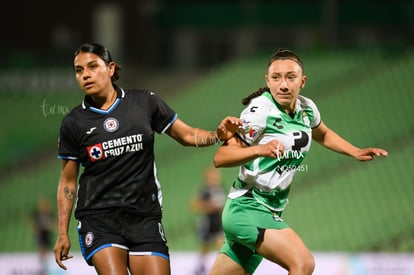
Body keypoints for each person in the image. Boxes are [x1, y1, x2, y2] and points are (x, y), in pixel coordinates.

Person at [53, 42, 242, 275]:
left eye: (93, 66)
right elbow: (68, 181)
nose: (85, 75)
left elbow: (185, 134)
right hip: (99, 218)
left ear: (111, 69)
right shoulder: (73, 123)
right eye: (79, 70)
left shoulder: (144, 102)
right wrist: (62, 232)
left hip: (144, 217)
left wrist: (216, 135)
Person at [208, 48, 388, 275]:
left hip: (270, 208)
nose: (283, 85)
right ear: (268, 81)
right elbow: (221, 158)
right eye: (276, 78)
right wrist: (259, 150)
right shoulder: (259, 111)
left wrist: (355, 151)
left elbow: (322, 133)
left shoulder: (307, 108)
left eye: (290, 77)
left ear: (302, 81)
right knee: (303, 264)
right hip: (248, 207)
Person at [190, 166, 226, 275]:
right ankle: (200, 266)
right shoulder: (204, 190)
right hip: (207, 223)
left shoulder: (220, 188)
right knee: (204, 247)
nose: (215, 178)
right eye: (212, 175)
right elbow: (194, 204)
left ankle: (223, 267)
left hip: (218, 222)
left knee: (221, 245)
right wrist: (207, 206)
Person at [32, 196, 55, 275]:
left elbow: (53, 223)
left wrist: (49, 226)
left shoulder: (49, 213)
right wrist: (37, 230)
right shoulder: (37, 214)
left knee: (46, 251)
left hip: (47, 234)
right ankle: (43, 267)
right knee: (42, 250)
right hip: (41, 234)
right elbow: (34, 224)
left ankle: (46, 267)